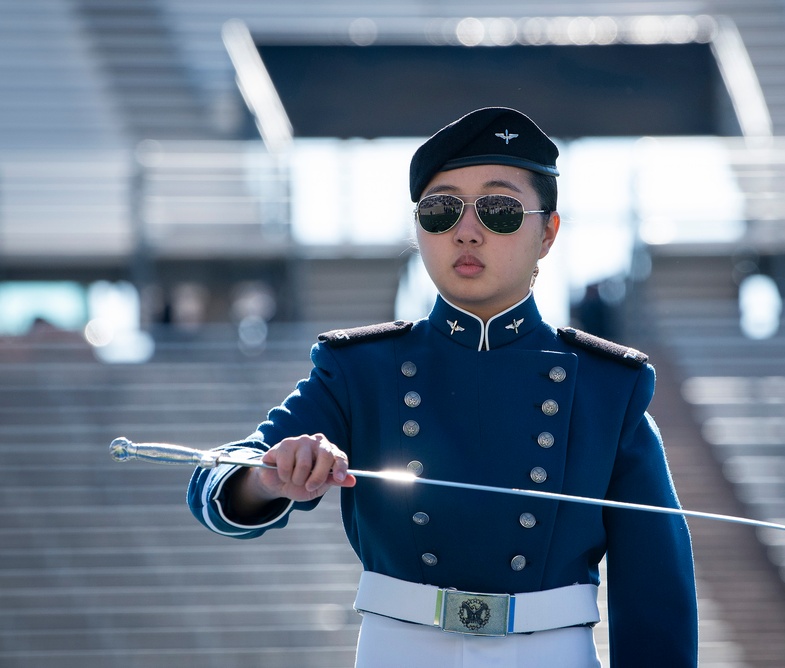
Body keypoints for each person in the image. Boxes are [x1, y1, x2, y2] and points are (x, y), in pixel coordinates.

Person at [187, 107, 698, 666]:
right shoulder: (360, 369)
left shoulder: (608, 386)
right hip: (397, 650)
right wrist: (269, 475)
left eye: (500, 210)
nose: (467, 230)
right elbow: (218, 480)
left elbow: (655, 587)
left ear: (548, 233)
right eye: (441, 210)